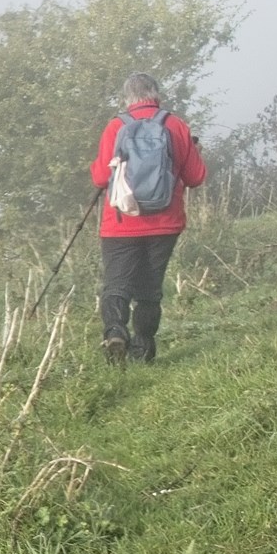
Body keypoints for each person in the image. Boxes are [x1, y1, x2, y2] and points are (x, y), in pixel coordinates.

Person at [90, 72, 208, 365]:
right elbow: (195, 177)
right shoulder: (176, 125)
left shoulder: (116, 126)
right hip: (164, 223)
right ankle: (142, 352)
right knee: (149, 291)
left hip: (120, 223)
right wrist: (192, 151)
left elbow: (101, 177)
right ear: (157, 95)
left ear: (127, 99)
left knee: (116, 285)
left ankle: (116, 332)